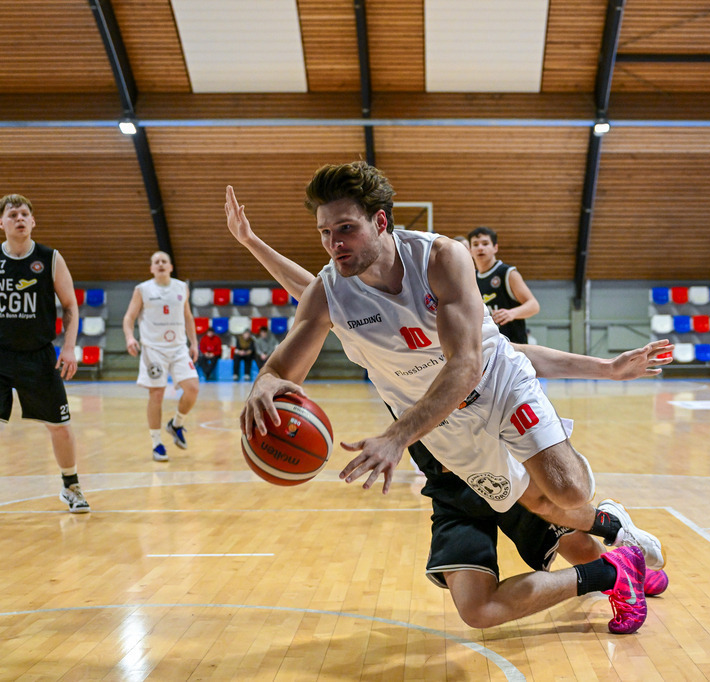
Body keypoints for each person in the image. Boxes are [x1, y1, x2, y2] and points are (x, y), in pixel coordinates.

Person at [224, 184, 672, 632]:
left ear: (380, 222)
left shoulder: (439, 258)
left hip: (497, 385)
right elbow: (285, 359)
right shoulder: (332, 294)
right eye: (325, 233)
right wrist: (263, 384)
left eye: (345, 228)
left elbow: (470, 365)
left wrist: (397, 435)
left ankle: (608, 525)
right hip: (445, 430)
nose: (334, 243)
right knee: (535, 502)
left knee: (567, 492)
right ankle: (615, 539)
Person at [0, 194, 89, 530]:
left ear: (33, 221)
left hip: (39, 354)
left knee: (60, 427)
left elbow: (70, 306)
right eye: (13, 215)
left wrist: (69, 348)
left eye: (25, 213)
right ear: (1, 223)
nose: (20, 218)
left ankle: (71, 487)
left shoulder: (50, 258)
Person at [122, 251, 200, 462]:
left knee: (192, 388)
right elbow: (129, 317)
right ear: (151, 269)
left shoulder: (181, 287)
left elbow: (188, 316)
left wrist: (194, 343)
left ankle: (176, 424)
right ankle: (157, 443)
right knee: (156, 394)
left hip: (178, 348)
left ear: (171, 267)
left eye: (164, 261)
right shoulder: (142, 290)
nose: (160, 264)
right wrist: (130, 338)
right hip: (153, 349)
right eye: (156, 262)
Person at [468, 226, 539, 344]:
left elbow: (534, 305)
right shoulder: (471, 278)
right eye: (475, 244)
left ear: (495, 248)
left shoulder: (507, 273)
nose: (480, 248)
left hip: (514, 347)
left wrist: (512, 313)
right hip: (487, 349)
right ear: (470, 250)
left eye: (485, 244)